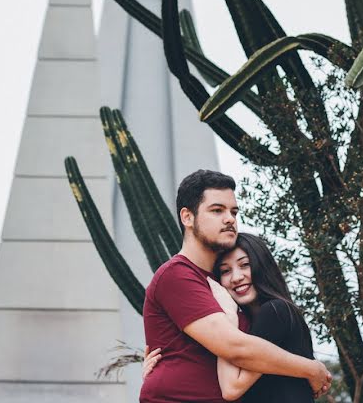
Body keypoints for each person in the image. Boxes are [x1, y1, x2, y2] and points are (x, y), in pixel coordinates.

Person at [139, 169, 330, 403]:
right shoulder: (177, 275)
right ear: (187, 217)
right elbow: (235, 347)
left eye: (233, 212)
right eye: (217, 210)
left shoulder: (227, 287)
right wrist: (311, 369)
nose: (230, 218)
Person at [144, 233, 316, 402]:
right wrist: (159, 375)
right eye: (225, 271)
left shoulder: (274, 311)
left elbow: (230, 388)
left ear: (262, 265)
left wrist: (230, 318)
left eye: (245, 265)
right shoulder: (253, 323)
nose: (236, 277)